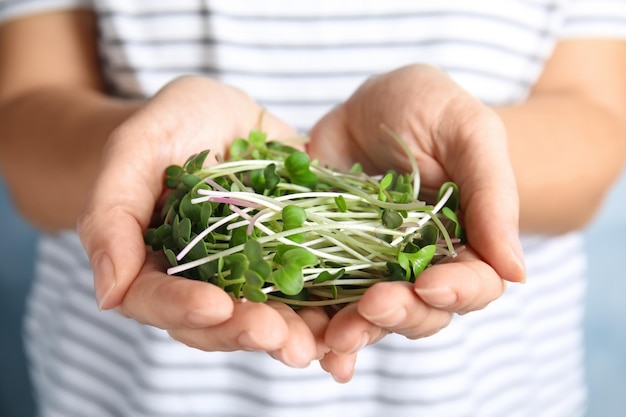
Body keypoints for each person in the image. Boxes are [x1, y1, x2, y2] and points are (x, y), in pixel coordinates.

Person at [1, 1, 625, 416]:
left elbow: (598, 124)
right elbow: (24, 119)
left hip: (488, 392)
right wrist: (130, 154)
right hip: (129, 391)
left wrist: (468, 159)